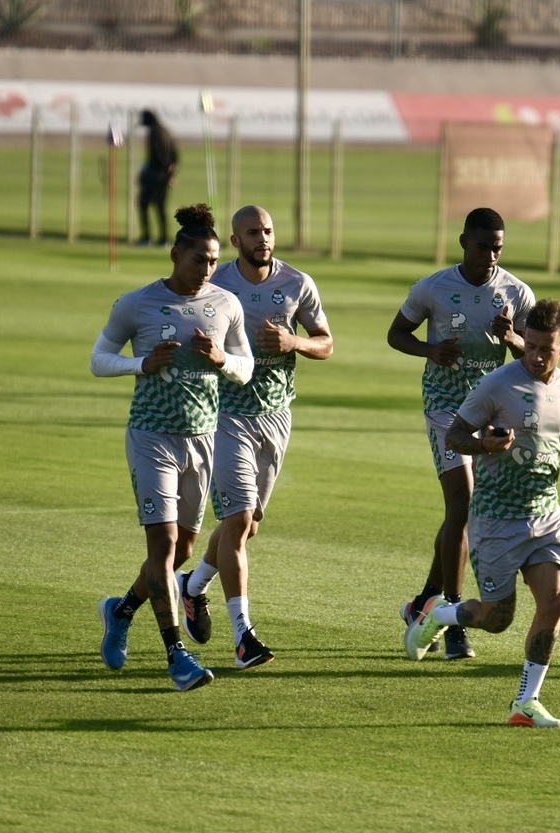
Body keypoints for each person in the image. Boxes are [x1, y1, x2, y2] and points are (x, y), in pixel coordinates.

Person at [405, 299, 560, 729]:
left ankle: (526, 702)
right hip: (496, 519)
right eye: (530, 346)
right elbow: (455, 436)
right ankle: (440, 614)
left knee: (555, 602)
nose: (536, 356)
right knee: (497, 618)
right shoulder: (496, 385)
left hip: (546, 515)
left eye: (546, 349)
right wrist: (484, 446)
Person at [93, 204, 255, 691]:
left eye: (213, 260)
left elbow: (245, 368)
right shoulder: (138, 303)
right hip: (152, 437)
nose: (206, 268)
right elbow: (99, 359)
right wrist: (140, 364)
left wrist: (221, 358)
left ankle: (121, 610)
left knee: (182, 549)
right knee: (163, 547)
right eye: (198, 259)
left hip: (203, 439)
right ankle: (177, 656)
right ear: (175, 255)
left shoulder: (226, 303)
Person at [174, 205, 334, 668]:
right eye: (252, 232)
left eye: (267, 231)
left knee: (244, 526)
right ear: (235, 240)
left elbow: (325, 342)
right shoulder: (216, 282)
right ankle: (244, 637)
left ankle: (192, 586)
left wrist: (294, 342)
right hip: (224, 414)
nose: (262, 238)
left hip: (275, 416)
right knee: (239, 518)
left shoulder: (297, 283)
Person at [387, 207, 536, 661]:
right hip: (446, 409)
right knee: (463, 504)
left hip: (491, 411)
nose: (490, 256)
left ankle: (423, 603)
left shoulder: (516, 293)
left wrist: (512, 339)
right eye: (482, 246)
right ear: (463, 242)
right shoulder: (433, 288)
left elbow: (535, 355)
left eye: (497, 248)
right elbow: (397, 334)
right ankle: (451, 620)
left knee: (464, 512)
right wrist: (431, 350)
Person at [137, 110, 180, 247]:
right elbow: (175, 153)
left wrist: (150, 172)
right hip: (164, 175)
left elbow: (158, 155)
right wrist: (171, 173)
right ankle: (164, 238)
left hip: (155, 175)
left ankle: (147, 237)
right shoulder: (165, 131)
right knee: (160, 206)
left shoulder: (155, 133)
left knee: (143, 204)